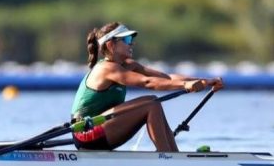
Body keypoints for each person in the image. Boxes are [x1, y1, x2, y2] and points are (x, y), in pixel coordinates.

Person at [71, 22, 223, 152]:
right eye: (127, 39)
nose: (132, 43)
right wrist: (185, 85)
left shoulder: (127, 65)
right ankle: (166, 157)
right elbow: (147, 82)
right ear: (111, 45)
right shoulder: (106, 69)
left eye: (131, 39)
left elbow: (167, 78)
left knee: (152, 103)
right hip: (85, 134)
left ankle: (173, 155)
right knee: (151, 104)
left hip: (103, 129)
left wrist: (206, 81)